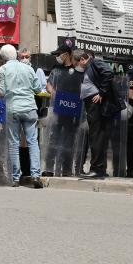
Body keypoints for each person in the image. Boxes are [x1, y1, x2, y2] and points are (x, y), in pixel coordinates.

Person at [0, 45, 43, 188]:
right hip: (29, 108)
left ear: (3, 58)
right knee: (33, 142)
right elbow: (37, 88)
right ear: (16, 55)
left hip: (13, 108)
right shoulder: (28, 68)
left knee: (14, 143)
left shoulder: (2, 70)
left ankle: (16, 178)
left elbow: (2, 91)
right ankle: (35, 175)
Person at [79, 50, 122, 179]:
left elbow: (108, 73)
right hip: (94, 105)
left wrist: (101, 92)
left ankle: (96, 169)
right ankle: (100, 168)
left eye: (78, 62)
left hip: (97, 105)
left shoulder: (95, 62)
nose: (79, 66)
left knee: (96, 137)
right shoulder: (91, 66)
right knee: (98, 137)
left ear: (83, 59)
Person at [43, 45, 80, 177]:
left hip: (72, 111)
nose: (57, 57)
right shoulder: (57, 69)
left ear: (67, 54)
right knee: (53, 139)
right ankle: (49, 168)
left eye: (59, 54)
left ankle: (66, 169)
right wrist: (54, 95)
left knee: (69, 141)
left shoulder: (77, 71)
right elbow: (48, 85)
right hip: (58, 109)